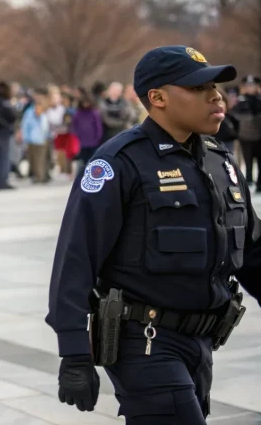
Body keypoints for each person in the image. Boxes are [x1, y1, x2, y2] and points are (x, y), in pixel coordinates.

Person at [46, 45, 261, 424]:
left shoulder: (219, 159)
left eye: (215, 85)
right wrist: (74, 352)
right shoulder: (118, 162)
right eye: (198, 88)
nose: (216, 96)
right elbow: (75, 258)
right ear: (157, 98)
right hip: (144, 342)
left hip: (203, 340)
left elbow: (252, 250)